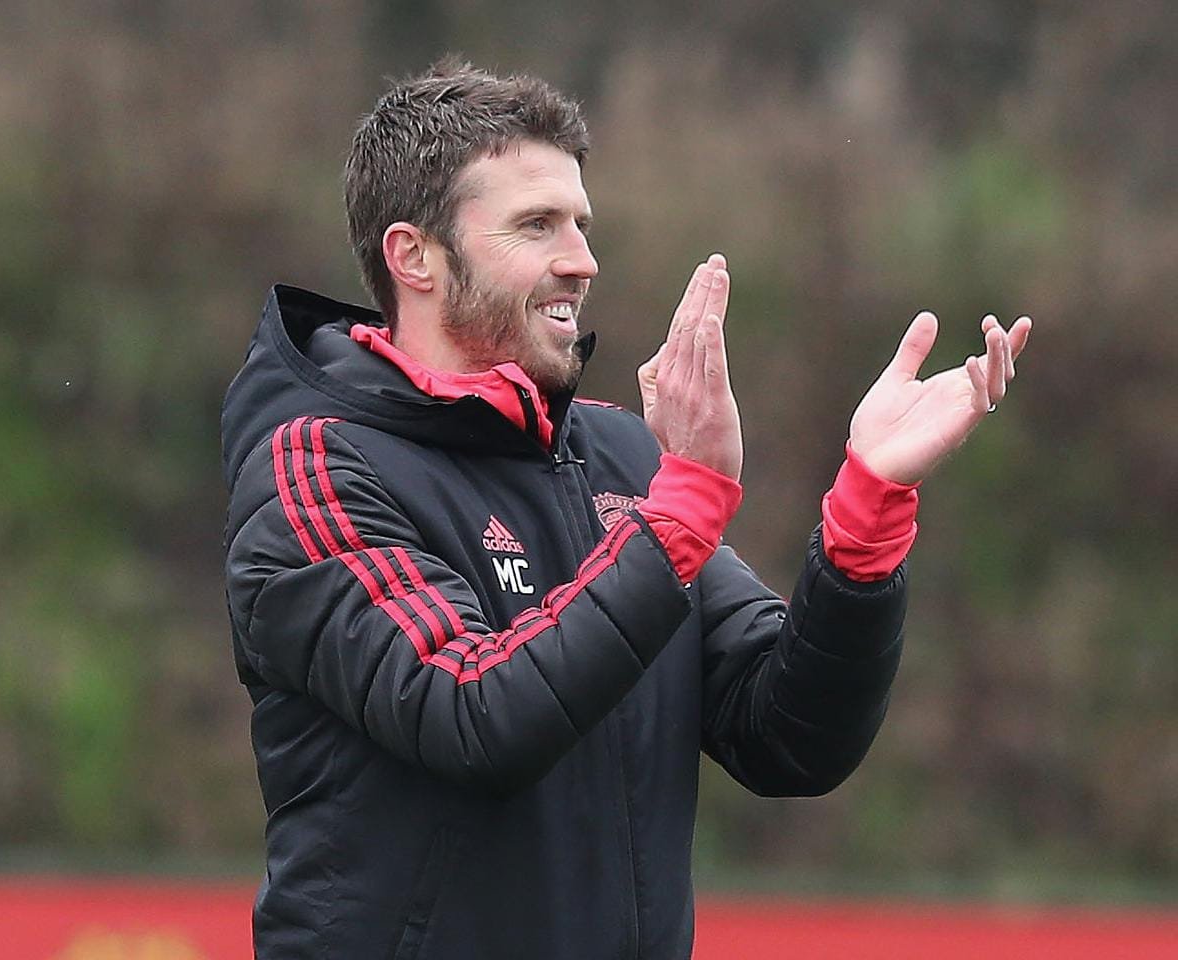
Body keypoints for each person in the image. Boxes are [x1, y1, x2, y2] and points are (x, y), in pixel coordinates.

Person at [221, 59, 1030, 960]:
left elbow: (788, 738)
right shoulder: (314, 470)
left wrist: (865, 513)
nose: (582, 261)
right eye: (536, 225)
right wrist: (683, 507)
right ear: (414, 256)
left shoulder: (619, 458)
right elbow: (473, 713)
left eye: (581, 224)